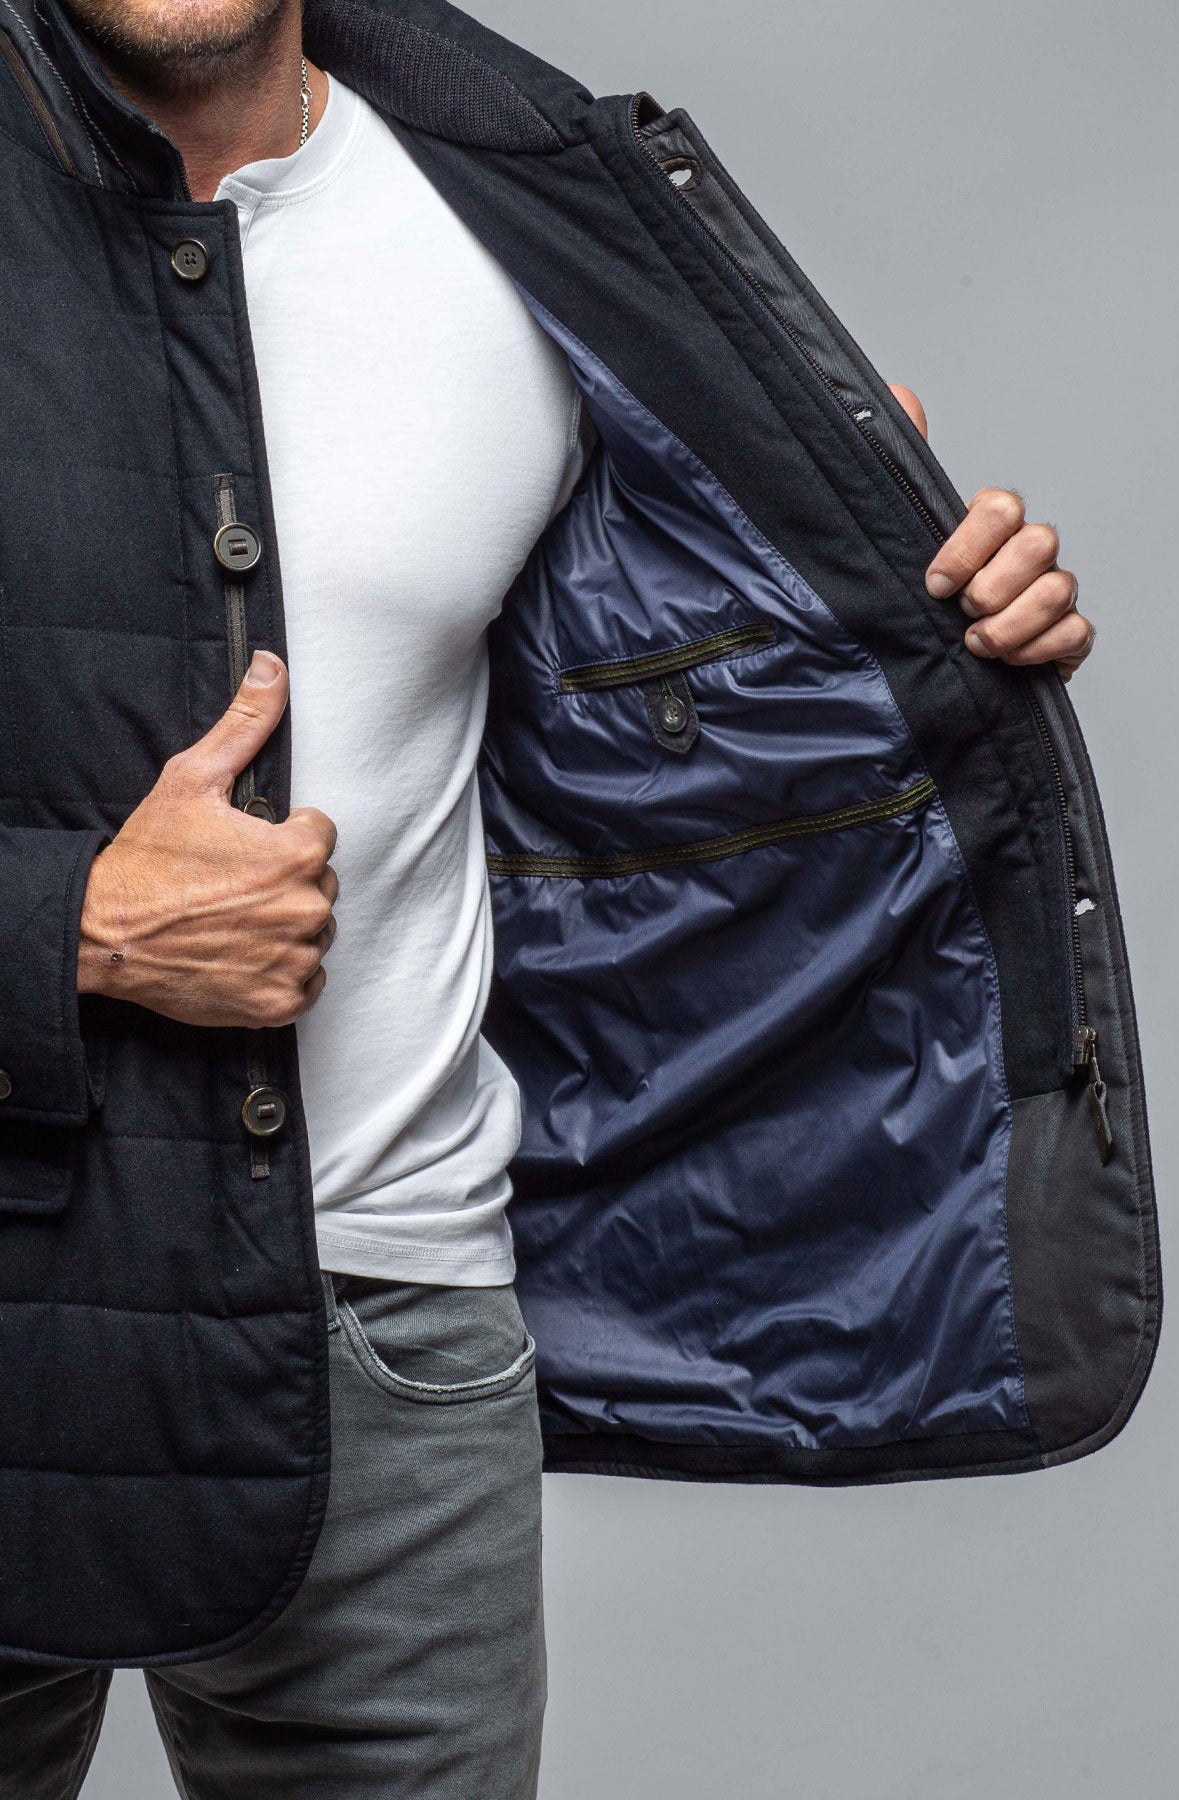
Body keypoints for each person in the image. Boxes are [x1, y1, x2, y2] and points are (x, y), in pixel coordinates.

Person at [0, 1, 1122, 1797]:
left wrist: (916, 635)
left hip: (395, 1312)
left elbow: (654, 689)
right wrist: (68, 929)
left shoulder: (513, 210)